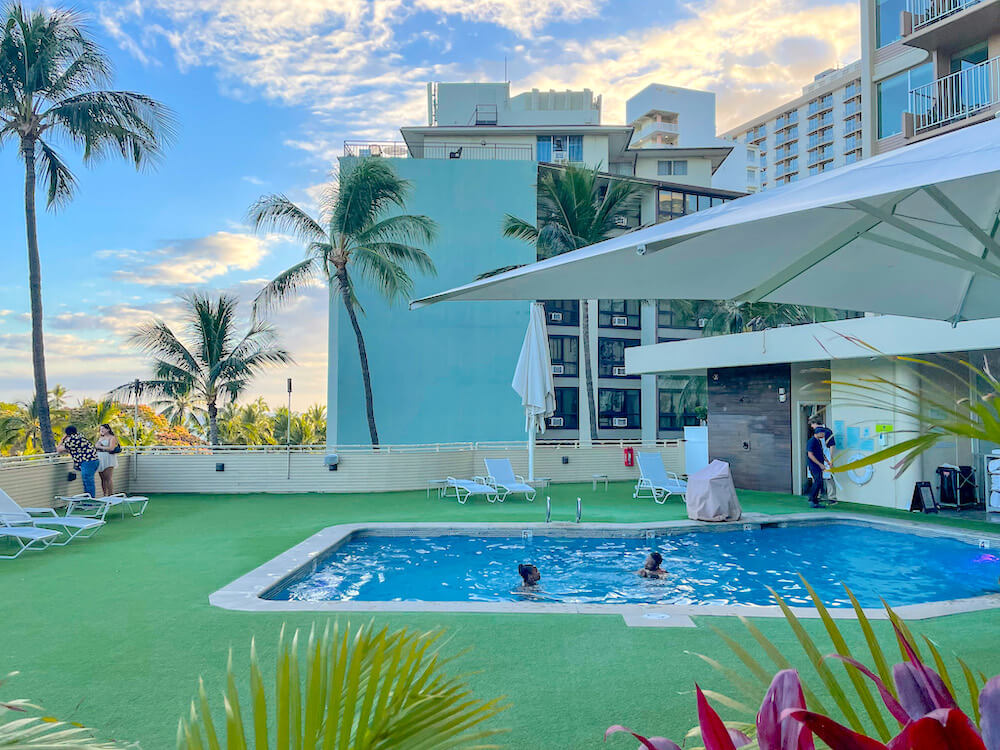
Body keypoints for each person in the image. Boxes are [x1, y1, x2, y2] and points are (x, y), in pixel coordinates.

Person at [57, 425, 100, 498]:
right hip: (93, 461)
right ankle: (88, 499)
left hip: (87, 462)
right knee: (88, 482)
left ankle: (90, 501)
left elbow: (59, 449)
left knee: (88, 482)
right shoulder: (80, 437)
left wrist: (62, 439)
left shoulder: (73, 440)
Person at [811, 416, 838, 504]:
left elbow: (831, 446)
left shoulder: (827, 432)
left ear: (815, 423)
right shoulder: (818, 432)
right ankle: (818, 495)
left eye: (812, 424)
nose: (811, 426)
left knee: (828, 477)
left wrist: (830, 459)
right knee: (818, 477)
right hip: (818, 457)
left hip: (825, 456)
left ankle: (832, 497)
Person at [806, 416, 827, 509]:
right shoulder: (812, 441)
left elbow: (820, 453)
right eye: (822, 433)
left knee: (819, 481)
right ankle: (812, 499)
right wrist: (820, 464)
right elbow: (810, 455)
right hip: (814, 465)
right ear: (817, 433)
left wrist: (827, 461)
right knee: (817, 481)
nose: (823, 435)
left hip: (818, 465)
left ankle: (814, 499)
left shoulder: (818, 441)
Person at [95, 423, 120, 497]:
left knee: (108, 477)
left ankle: (110, 495)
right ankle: (104, 494)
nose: (101, 431)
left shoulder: (112, 438)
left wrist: (101, 447)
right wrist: (99, 447)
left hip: (108, 457)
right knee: (102, 478)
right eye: (100, 429)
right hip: (100, 457)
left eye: (103, 429)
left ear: (108, 429)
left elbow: (111, 448)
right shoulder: (100, 438)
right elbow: (96, 446)